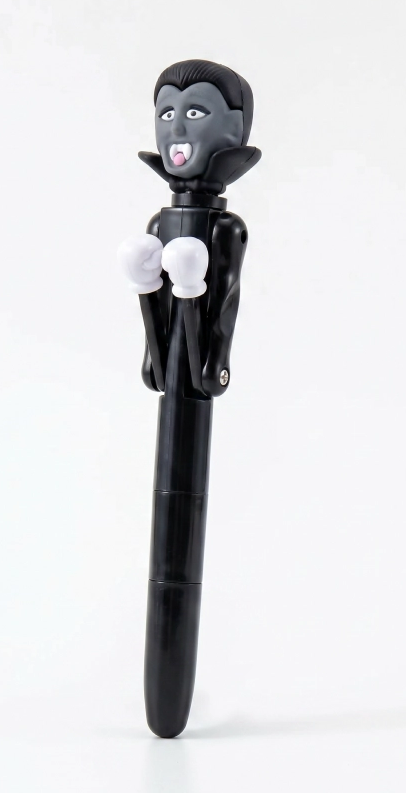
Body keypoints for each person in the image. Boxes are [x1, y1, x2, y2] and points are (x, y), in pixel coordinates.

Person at [119, 59, 261, 738]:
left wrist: (195, 298)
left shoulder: (227, 231)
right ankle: (163, 717)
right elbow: (158, 348)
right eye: (167, 113)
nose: (177, 129)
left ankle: (170, 714)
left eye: (196, 113)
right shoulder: (160, 219)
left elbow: (220, 318)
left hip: (198, 367)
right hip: (170, 358)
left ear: (235, 132)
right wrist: (154, 293)